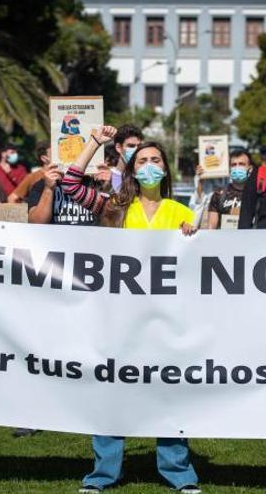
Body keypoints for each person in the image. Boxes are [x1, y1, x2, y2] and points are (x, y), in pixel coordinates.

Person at [59, 127, 200, 493]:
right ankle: (104, 474)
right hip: (119, 321)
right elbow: (71, 185)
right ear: (132, 169)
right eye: (142, 161)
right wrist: (94, 142)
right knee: (111, 395)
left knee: (167, 395)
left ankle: (178, 474)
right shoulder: (115, 209)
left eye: (156, 161)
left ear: (166, 170)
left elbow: (198, 265)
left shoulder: (181, 212)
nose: (149, 166)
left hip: (165, 322)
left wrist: (193, 235)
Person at [207, 150, 254, 229]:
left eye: (241, 164)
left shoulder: (257, 194)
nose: (237, 167)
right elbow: (211, 228)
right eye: (233, 165)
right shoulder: (219, 194)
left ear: (250, 168)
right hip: (225, 240)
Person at [110, 124, 144, 192]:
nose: (136, 150)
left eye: (139, 146)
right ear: (118, 147)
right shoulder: (107, 177)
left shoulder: (143, 177)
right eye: (131, 146)